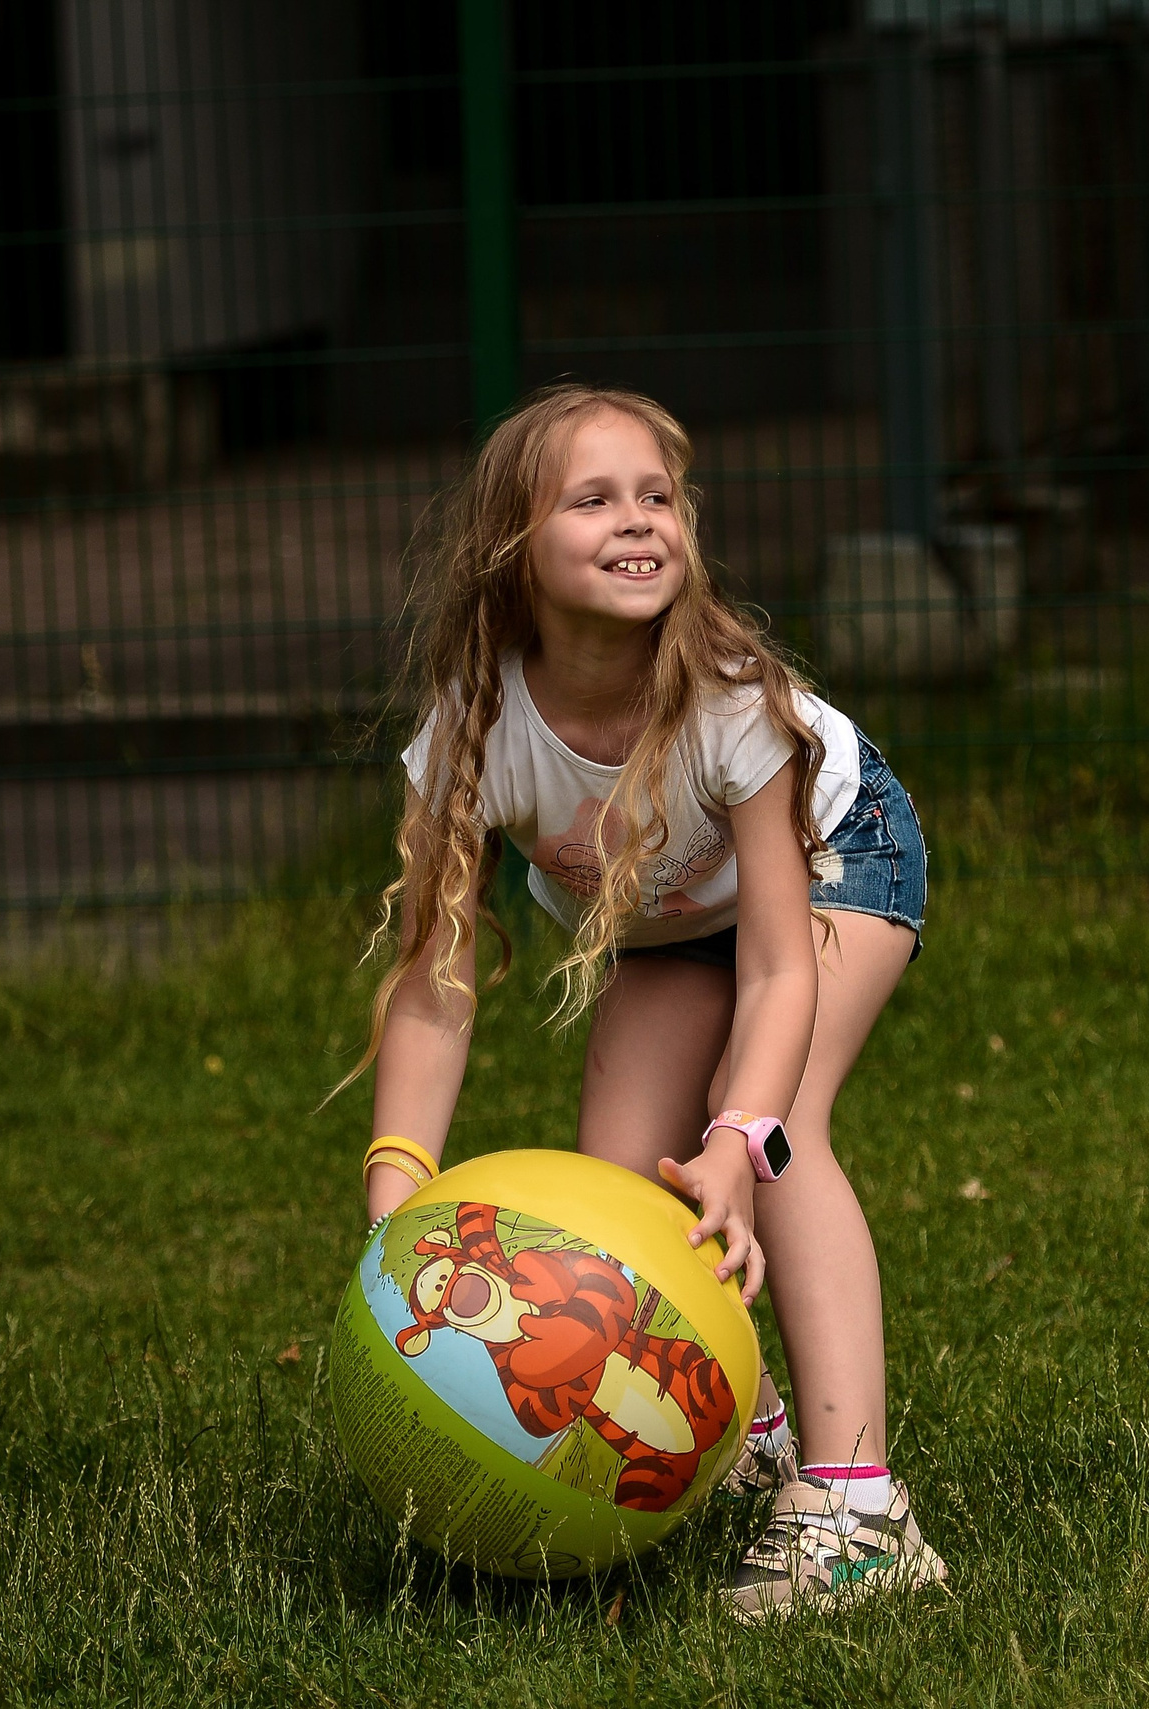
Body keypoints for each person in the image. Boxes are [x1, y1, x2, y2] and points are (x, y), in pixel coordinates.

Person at [347, 384, 942, 1620]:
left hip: (841, 864)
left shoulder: (728, 697)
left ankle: (857, 1509)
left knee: (773, 1133)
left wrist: (736, 1140)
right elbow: (435, 975)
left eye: (657, 495)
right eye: (594, 497)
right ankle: (747, 1438)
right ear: (514, 549)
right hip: (672, 919)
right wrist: (398, 1177)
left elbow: (779, 965)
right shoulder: (476, 728)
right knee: (616, 1183)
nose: (638, 520)